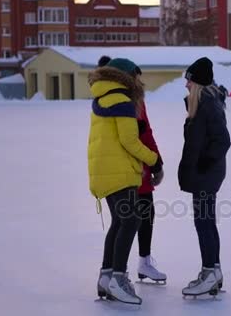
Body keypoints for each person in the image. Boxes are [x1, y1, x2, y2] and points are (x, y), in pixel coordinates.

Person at [89, 58, 161, 305]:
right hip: (118, 171)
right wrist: (155, 161)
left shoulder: (104, 97)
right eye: (137, 77)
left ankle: (106, 276)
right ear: (127, 77)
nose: (140, 82)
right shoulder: (122, 101)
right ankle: (118, 279)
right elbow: (130, 141)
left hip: (104, 171)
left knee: (120, 222)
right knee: (131, 221)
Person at [179, 57, 231, 297]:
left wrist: (204, 162)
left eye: (188, 80)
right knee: (207, 222)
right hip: (205, 174)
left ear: (197, 82)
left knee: (203, 223)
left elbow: (223, 140)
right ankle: (213, 271)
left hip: (206, 174)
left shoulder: (208, 104)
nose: (186, 85)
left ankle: (210, 272)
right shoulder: (200, 103)